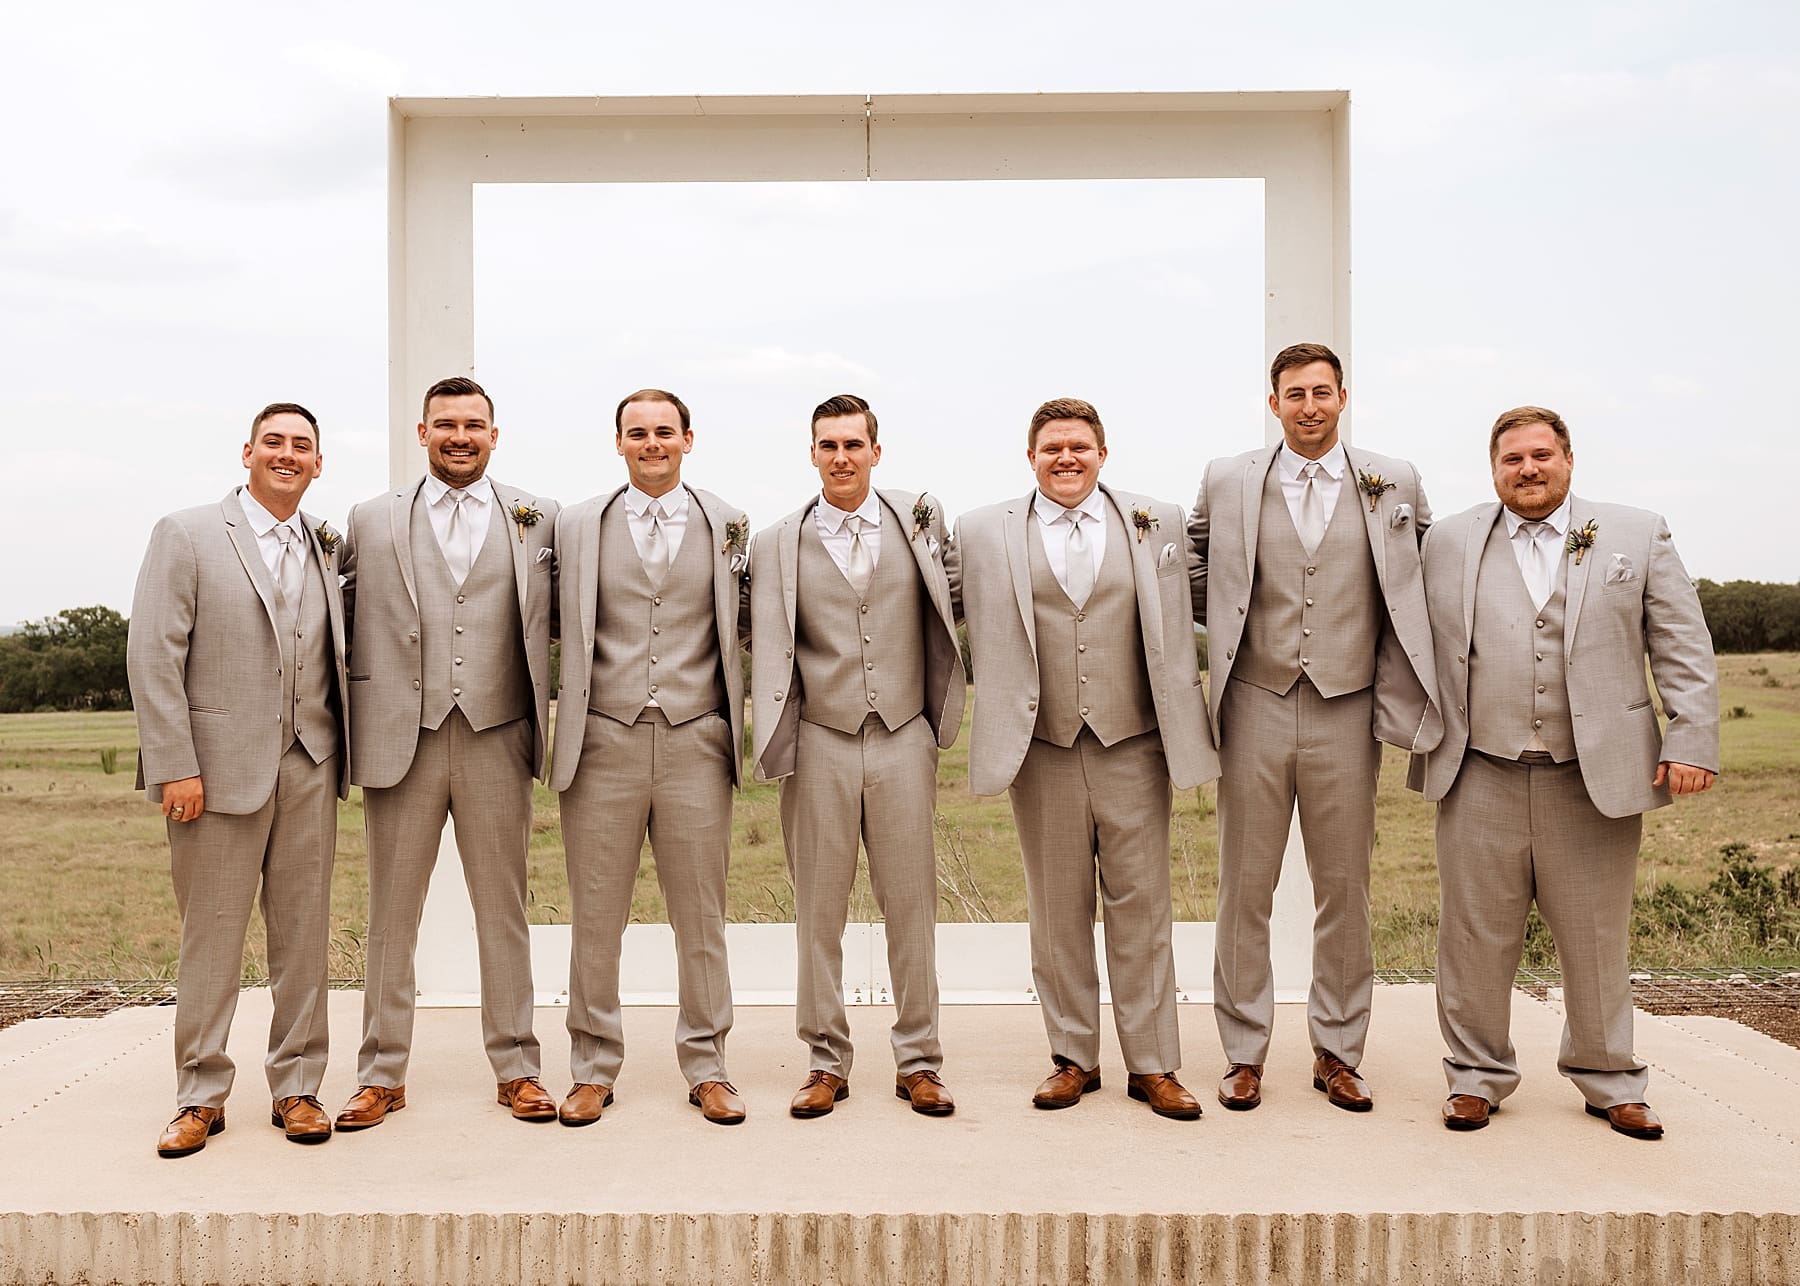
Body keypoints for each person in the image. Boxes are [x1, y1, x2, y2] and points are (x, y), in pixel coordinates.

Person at [1413, 405, 1718, 1138]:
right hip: (1478, 770)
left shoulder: (1636, 534)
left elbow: (1680, 641)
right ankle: (1475, 1076)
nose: (1528, 469)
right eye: (1512, 459)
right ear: (1494, 470)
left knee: (1595, 935)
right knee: (1473, 937)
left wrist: (1691, 738)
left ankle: (1609, 1077)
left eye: (1541, 455)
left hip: (1593, 773)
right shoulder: (1448, 540)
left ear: (1569, 460)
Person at [1188, 342, 1439, 1113]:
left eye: (1321, 392)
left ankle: (1338, 1051)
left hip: (1348, 706)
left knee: (1344, 889)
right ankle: (1243, 1053)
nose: (1309, 406)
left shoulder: (1393, 480)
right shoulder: (1228, 478)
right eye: (1294, 394)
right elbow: (1192, 565)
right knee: (1244, 888)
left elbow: (1423, 572)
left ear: (1342, 398)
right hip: (1253, 703)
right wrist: (1228, 620)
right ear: (1274, 404)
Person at [950, 397, 1217, 1119]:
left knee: (1143, 909)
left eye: (1079, 447)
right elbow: (927, 608)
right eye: (1052, 448)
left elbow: (1215, 598)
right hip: (1042, 746)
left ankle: (1153, 1064)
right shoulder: (982, 531)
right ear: (1030, 457)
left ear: (1102, 453)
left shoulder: (1156, 520)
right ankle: (1072, 1058)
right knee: (1057, 910)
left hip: (1135, 742)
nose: (1065, 458)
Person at [333, 376, 561, 1129]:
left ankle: (518, 1068)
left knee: (505, 910)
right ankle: (380, 1074)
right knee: (392, 915)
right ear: (423, 432)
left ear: (494, 434)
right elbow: (337, 620)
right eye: (446, 425)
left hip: (498, 733)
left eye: (473, 425)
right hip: (403, 737)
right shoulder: (371, 518)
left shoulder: (538, 517)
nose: (459, 437)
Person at [127, 402, 349, 1156]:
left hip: (311, 764)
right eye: (273, 442)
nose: (287, 454)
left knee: (304, 938)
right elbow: (153, 655)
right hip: (214, 774)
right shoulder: (187, 533)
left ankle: (298, 1088)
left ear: (318, 462)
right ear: (247, 452)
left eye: (302, 445)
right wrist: (175, 766)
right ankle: (200, 1096)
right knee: (212, 938)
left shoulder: (325, 543)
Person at [748, 393, 964, 1119]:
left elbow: (957, 603)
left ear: (876, 450)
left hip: (903, 733)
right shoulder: (777, 542)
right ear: (812, 454)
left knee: (912, 906)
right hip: (820, 739)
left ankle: (920, 1061)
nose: (841, 457)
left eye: (852, 444)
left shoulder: (920, 520)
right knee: (819, 910)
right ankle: (825, 1061)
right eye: (828, 445)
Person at [548, 389, 750, 1127]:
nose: (652, 443)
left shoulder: (729, 524)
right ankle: (592, 1068)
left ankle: (709, 1066)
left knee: (701, 918)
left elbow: (748, 623)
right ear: (619, 443)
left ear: (688, 440)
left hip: (697, 740)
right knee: (596, 918)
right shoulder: (576, 525)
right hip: (603, 739)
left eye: (665, 431)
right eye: (638, 433)